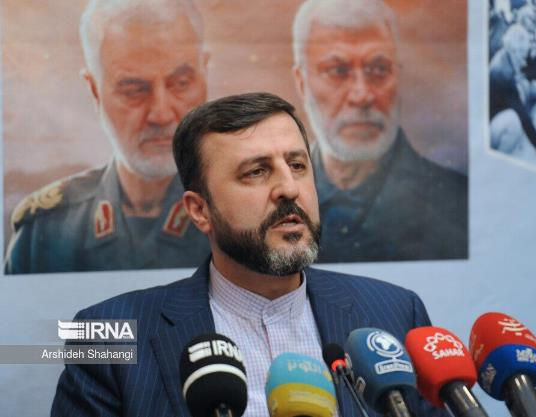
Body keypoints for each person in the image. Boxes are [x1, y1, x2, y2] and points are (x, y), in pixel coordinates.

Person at [50, 93, 446, 417]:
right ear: (199, 210)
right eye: (256, 172)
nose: (289, 188)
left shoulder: (396, 313)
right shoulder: (105, 335)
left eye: (297, 165)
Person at [5, 0, 210, 274]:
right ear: (94, 91)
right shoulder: (46, 231)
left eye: (181, 84)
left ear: (204, 73)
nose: (161, 114)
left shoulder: (241, 215)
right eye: (134, 90)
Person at [291, 0, 467, 262]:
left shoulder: (461, 205)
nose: (362, 95)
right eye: (337, 71)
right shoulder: (271, 206)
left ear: (398, 77)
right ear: (302, 84)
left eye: (378, 69)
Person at [490, 24, 536, 162]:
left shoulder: (504, 55)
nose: (524, 62)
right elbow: (522, 116)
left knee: (524, 86)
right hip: (491, 123)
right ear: (515, 51)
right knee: (514, 122)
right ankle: (498, 162)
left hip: (496, 110)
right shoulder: (503, 73)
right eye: (522, 56)